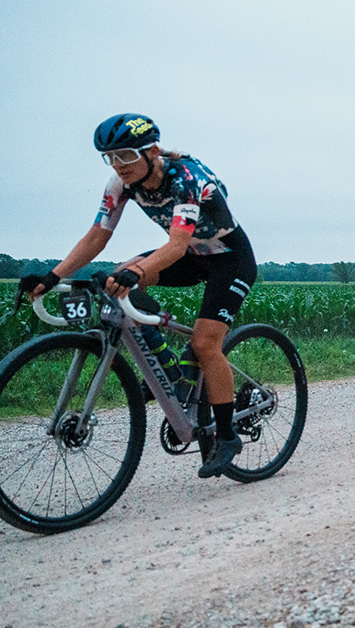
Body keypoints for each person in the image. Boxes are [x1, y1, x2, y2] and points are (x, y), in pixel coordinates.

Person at [21, 114, 258, 479]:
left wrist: (139, 271)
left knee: (206, 342)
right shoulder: (120, 184)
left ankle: (226, 436)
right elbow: (97, 236)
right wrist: (53, 276)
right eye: (111, 157)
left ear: (151, 151)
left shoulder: (186, 179)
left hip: (229, 261)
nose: (119, 165)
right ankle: (166, 369)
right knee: (120, 275)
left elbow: (177, 245)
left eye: (126, 156)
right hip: (192, 257)